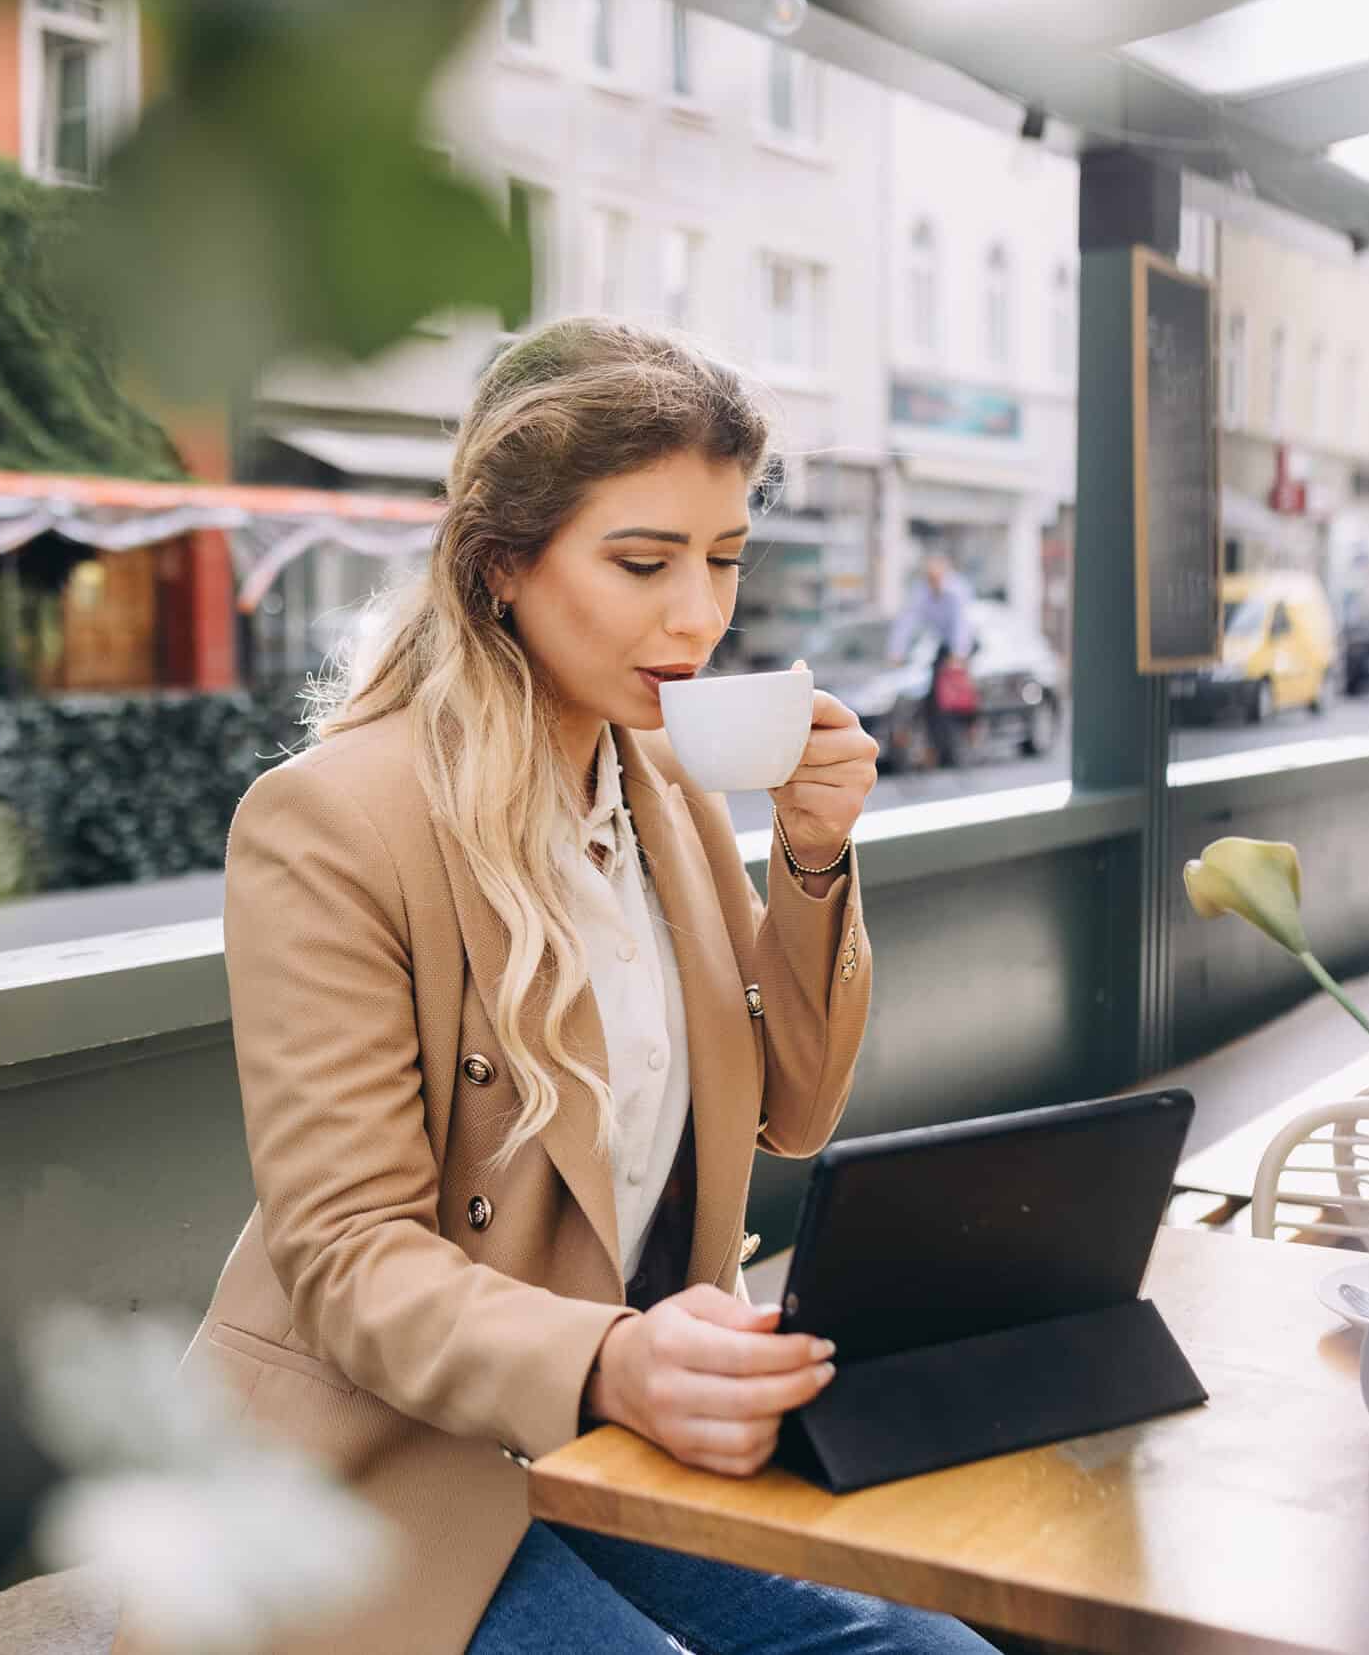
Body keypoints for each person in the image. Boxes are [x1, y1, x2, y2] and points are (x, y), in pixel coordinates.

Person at [149, 319, 993, 1655]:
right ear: (501, 568)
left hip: (611, 1439)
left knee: (931, 1646)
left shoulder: (664, 787)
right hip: (386, 1466)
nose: (700, 616)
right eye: (644, 561)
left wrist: (817, 862)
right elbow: (347, 1254)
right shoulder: (331, 823)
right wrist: (608, 1357)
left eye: (724, 560)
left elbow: (797, 1109)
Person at [886, 554, 976, 770]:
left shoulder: (957, 591)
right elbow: (907, 622)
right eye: (929, 578)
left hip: (965, 642)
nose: (933, 582)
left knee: (965, 686)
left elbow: (961, 624)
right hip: (941, 644)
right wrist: (896, 651)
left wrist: (958, 654)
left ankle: (972, 725)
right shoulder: (921, 593)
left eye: (936, 577)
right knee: (932, 692)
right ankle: (935, 746)